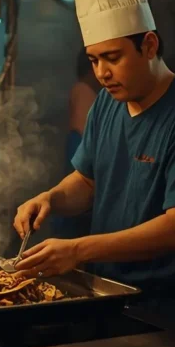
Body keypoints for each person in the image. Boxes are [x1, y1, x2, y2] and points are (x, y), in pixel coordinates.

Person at [12, 0, 175, 330]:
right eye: (94, 60)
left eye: (112, 58)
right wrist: (51, 198)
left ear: (148, 45)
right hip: (108, 299)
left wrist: (78, 249)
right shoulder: (107, 105)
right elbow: (87, 181)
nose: (101, 73)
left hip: (169, 316)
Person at [46, 51, 101, 240]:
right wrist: (47, 199)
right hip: (78, 143)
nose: (102, 73)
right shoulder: (84, 90)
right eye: (96, 62)